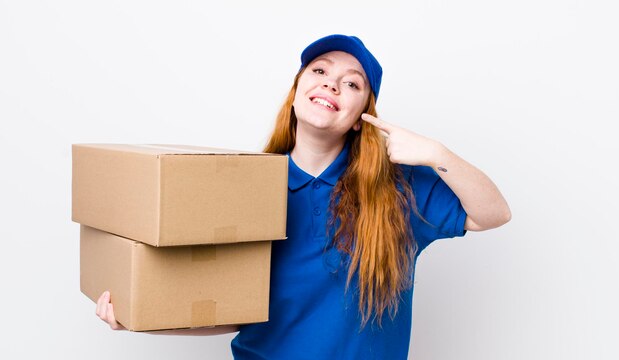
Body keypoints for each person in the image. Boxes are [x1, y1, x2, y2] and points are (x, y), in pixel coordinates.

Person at [96, 34, 511, 359]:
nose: (331, 82)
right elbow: (231, 315)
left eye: (351, 83)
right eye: (318, 71)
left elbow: (493, 213)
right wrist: (139, 317)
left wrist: (436, 153)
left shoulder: (397, 190)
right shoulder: (244, 189)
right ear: (297, 91)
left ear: (360, 116)